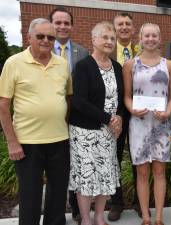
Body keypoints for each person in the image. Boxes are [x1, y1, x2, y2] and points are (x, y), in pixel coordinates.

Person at [0, 18, 71, 225]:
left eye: (50, 37)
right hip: (27, 142)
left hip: (59, 139)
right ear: (29, 37)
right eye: (40, 36)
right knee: (30, 196)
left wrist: (60, 122)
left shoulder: (63, 64)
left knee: (58, 194)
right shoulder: (14, 63)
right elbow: (3, 106)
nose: (46, 40)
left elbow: (68, 97)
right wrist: (12, 142)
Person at [68, 21, 124, 225]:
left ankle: (99, 216)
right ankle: (85, 219)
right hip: (85, 132)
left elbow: (120, 98)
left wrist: (119, 118)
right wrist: (109, 118)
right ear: (94, 40)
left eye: (112, 38)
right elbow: (78, 101)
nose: (109, 41)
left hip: (108, 133)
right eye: (105, 37)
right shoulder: (83, 66)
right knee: (87, 176)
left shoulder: (117, 67)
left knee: (105, 174)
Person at [122, 23, 171, 225]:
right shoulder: (130, 65)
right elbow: (127, 97)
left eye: (155, 35)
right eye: (147, 35)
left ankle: (160, 216)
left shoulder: (169, 65)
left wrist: (169, 112)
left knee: (160, 171)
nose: (151, 39)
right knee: (142, 172)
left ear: (160, 38)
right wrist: (131, 109)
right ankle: (146, 216)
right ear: (141, 38)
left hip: (162, 124)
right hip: (139, 124)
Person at [49, 7, 89, 221]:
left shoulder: (82, 52)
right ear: (51, 24)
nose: (63, 26)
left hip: (75, 117)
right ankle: (55, 208)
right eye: (58, 22)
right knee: (56, 164)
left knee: (75, 162)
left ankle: (74, 206)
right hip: (50, 118)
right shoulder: (42, 48)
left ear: (72, 26)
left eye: (66, 23)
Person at [109, 12, 142, 221]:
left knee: (139, 158)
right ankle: (117, 202)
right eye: (119, 24)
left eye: (127, 24)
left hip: (141, 113)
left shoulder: (142, 51)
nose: (123, 27)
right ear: (114, 28)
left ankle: (141, 201)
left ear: (133, 28)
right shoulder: (107, 51)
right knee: (115, 159)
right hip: (115, 115)